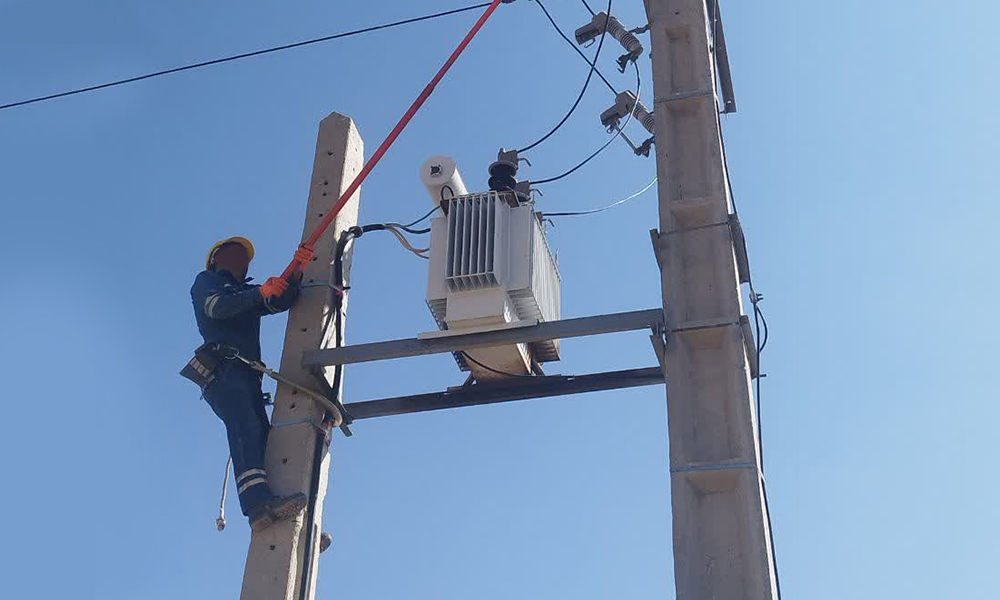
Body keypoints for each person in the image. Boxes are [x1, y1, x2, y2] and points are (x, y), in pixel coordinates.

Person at [189, 236, 314, 530]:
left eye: (244, 258)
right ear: (216, 259)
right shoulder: (206, 281)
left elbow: (278, 301)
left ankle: (273, 503)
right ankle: (257, 507)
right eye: (235, 254)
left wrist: (297, 271)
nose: (241, 261)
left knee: (262, 435)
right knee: (244, 427)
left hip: (245, 373)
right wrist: (259, 294)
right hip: (223, 371)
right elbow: (217, 308)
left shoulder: (246, 292)